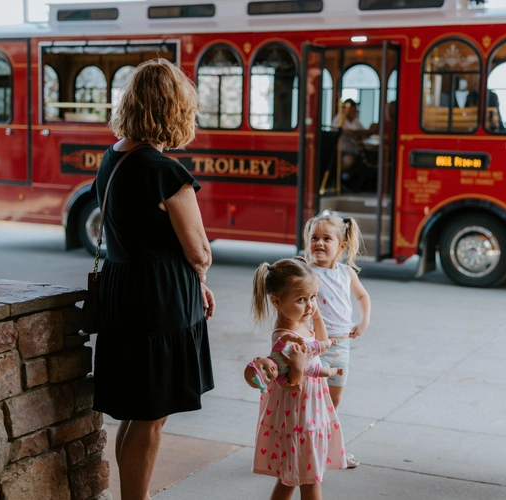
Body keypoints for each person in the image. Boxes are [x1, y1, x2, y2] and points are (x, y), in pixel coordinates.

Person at [90, 58, 216, 500]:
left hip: (123, 289)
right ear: (174, 108)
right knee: (152, 413)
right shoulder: (164, 170)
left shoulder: (113, 158)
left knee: (138, 409)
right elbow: (198, 249)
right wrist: (201, 275)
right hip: (159, 298)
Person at [250, 257, 346, 500]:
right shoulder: (284, 337)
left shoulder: (301, 323)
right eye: (301, 299)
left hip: (309, 409)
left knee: (293, 477)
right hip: (297, 414)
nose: (310, 305)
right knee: (308, 479)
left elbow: (320, 347)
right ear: (277, 301)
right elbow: (292, 383)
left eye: (313, 297)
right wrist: (299, 367)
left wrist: (315, 315)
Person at [303, 214, 371, 469]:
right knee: (309, 398)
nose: (319, 243)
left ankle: (333, 448)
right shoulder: (307, 272)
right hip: (313, 347)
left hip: (341, 346)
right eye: (314, 238)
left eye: (326, 239)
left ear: (341, 246)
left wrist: (364, 321)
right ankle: (307, 445)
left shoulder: (346, 273)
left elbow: (363, 296)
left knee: (333, 402)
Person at [244, 332, 342, 393]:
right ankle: (336, 370)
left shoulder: (276, 351)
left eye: (264, 368)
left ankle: (331, 341)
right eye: (269, 377)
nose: (270, 370)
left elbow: (284, 338)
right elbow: (286, 387)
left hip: (305, 349)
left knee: (323, 345)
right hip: (308, 367)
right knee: (326, 373)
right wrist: (294, 388)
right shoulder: (279, 377)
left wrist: (294, 339)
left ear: (257, 358)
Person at [331, 99, 378, 191]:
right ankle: (334, 178)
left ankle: (352, 183)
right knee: (350, 160)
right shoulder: (340, 119)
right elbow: (349, 132)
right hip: (341, 152)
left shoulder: (355, 121)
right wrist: (369, 131)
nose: (356, 111)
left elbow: (363, 134)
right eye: (354, 108)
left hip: (355, 151)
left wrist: (370, 131)